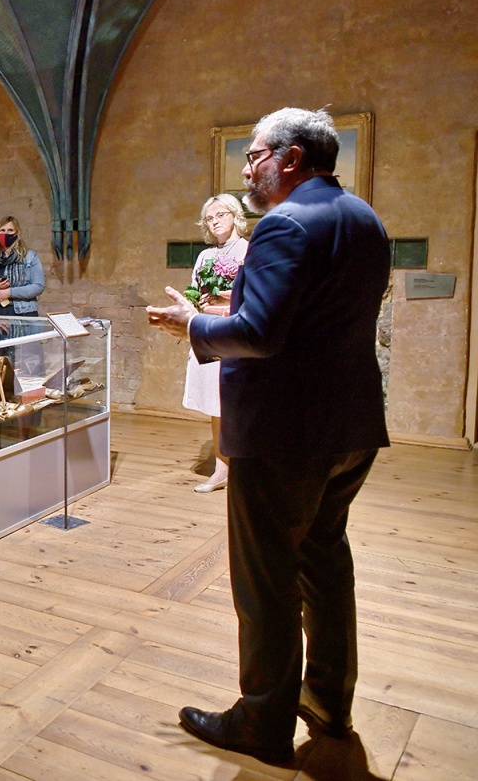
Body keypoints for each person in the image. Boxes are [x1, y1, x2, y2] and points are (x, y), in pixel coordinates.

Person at [147, 107, 390, 765]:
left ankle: (262, 721)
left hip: (284, 432)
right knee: (325, 560)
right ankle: (329, 700)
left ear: (291, 158)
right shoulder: (364, 219)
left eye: (255, 155)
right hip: (350, 425)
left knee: (266, 580)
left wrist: (193, 325)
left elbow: (259, 333)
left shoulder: (284, 223)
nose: (248, 168)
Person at [183, 194, 249, 493]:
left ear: (235, 215)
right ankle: (222, 469)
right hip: (211, 332)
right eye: (209, 218)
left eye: (221, 215)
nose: (215, 222)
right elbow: (195, 291)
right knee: (216, 402)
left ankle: (247, 467)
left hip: (238, 333)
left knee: (240, 401)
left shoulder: (249, 250)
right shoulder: (205, 256)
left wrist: (230, 301)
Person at [0, 216, 45, 317]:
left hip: (24, 313)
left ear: (17, 233)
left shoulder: (29, 256)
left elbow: (38, 286)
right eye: (2, 230)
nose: (6, 233)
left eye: (10, 230)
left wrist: (9, 292)